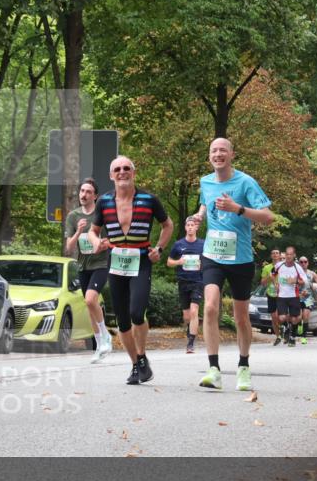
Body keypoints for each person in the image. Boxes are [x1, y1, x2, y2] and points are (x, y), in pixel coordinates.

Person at [190, 138, 274, 391]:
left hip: (241, 259)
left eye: (222, 150)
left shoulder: (246, 182)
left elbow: (268, 217)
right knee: (211, 307)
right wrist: (200, 215)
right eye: (214, 151)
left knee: (240, 318)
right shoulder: (205, 182)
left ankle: (243, 366)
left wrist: (238, 209)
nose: (218, 154)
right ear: (209, 156)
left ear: (231, 155)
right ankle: (213, 369)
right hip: (213, 255)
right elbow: (206, 201)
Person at [87, 156, 173, 385]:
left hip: (141, 260)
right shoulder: (104, 202)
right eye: (117, 169)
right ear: (111, 175)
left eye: (127, 168)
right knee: (123, 321)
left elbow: (168, 225)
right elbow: (92, 231)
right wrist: (96, 242)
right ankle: (137, 365)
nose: (122, 172)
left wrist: (159, 249)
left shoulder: (149, 199)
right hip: (116, 262)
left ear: (134, 173)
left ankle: (141, 356)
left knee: (137, 312)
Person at [65, 178, 113, 362]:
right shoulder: (73, 216)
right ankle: (100, 345)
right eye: (82, 191)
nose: (83, 195)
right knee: (89, 305)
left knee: (91, 298)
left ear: (95, 196)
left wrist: (102, 244)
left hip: (101, 264)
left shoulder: (101, 216)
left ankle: (105, 336)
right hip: (83, 265)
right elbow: (69, 248)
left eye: (88, 192)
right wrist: (78, 232)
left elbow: (111, 239)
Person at [167, 216, 205, 354]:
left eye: (192, 225)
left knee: (194, 311)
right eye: (188, 225)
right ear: (185, 227)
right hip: (183, 281)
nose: (190, 227)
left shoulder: (203, 244)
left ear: (196, 228)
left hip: (198, 281)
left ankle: (191, 342)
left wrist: (203, 265)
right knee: (187, 315)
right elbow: (169, 261)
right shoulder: (178, 244)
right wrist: (178, 262)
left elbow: (210, 260)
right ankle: (190, 329)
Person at [273, 246, 307, 347]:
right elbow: (273, 274)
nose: (288, 256)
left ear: (294, 255)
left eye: (290, 254)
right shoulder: (279, 265)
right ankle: (287, 327)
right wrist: (275, 282)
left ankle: (292, 337)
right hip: (281, 296)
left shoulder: (297, 267)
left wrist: (295, 281)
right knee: (282, 318)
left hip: (293, 295)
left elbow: (304, 281)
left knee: (295, 319)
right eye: (287, 254)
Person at [296, 256, 317, 343]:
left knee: (305, 316)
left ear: (308, 263)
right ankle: (299, 325)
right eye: (301, 262)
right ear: (299, 263)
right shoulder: (295, 273)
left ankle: (304, 337)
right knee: (298, 317)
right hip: (297, 297)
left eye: (305, 262)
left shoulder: (312, 273)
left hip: (308, 298)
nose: (303, 264)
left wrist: (316, 286)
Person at [261, 248, 281, 343]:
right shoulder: (266, 268)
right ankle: (278, 336)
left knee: (282, 317)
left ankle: (286, 331)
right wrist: (269, 277)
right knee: (274, 317)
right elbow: (263, 283)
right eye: (273, 253)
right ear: (271, 256)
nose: (275, 255)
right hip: (271, 294)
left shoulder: (284, 266)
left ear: (280, 255)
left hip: (283, 294)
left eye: (277, 253)